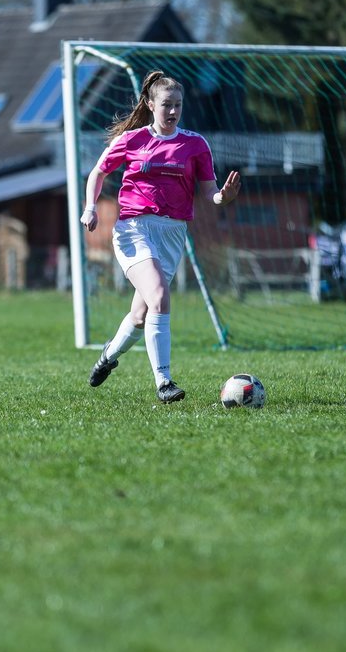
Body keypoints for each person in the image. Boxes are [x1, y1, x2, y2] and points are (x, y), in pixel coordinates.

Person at [80, 70, 242, 403]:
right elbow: (98, 172)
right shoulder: (132, 140)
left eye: (178, 105)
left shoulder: (195, 144)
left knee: (141, 314)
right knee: (159, 297)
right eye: (166, 104)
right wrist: (90, 207)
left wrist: (222, 198)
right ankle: (164, 382)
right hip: (134, 229)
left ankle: (108, 357)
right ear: (151, 104)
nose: (172, 111)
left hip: (172, 233)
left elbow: (210, 191)